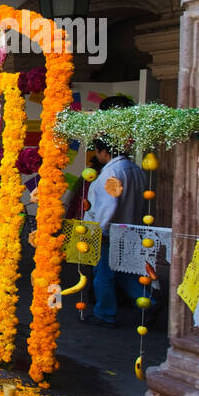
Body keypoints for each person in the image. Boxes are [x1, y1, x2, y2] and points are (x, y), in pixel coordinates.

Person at [83, 96, 150, 328]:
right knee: (125, 272)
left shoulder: (112, 174)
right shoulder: (135, 170)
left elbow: (107, 207)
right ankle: (149, 301)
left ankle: (105, 313)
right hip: (130, 229)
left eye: (98, 152)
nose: (97, 156)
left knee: (104, 274)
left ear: (104, 152)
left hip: (110, 232)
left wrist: (98, 231)